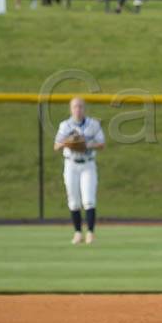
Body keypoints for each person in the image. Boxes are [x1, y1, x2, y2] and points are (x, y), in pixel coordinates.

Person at [52, 96, 105, 245]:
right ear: (70, 109)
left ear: (84, 108)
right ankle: (77, 233)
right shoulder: (65, 125)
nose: (78, 109)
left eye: (80, 106)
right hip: (71, 164)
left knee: (88, 199)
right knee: (73, 201)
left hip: (88, 164)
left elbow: (102, 144)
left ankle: (90, 233)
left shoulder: (93, 124)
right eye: (75, 106)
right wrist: (69, 142)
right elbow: (56, 146)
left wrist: (85, 145)